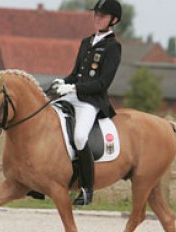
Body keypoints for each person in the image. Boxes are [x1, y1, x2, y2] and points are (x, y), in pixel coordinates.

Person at [53, 0, 122, 205]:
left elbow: (102, 83)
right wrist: (63, 82)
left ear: (113, 20)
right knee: (47, 118)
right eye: (96, 14)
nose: (97, 18)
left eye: (102, 15)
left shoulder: (113, 47)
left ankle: (86, 189)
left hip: (91, 102)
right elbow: (75, 74)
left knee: (80, 137)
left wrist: (73, 88)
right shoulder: (86, 42)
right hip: (73, 95)